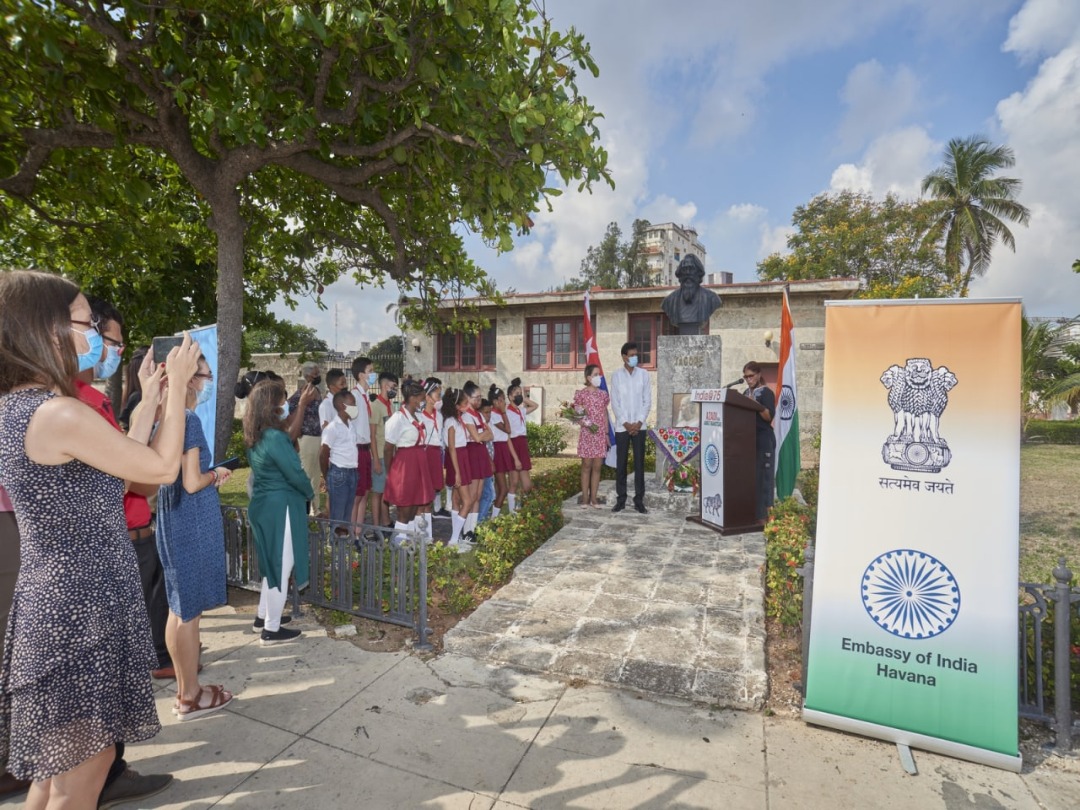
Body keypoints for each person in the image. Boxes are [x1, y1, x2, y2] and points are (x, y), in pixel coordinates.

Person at [0, 270, 200, 807]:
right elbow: (158, 470)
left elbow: (117, 472)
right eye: (86, 323)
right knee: (80, 777)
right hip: (80, 605)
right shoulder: (57, 411)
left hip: (60, 596)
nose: (94, 336)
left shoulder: (21, 407)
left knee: (55, 776)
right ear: (47, 329)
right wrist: (181, 385)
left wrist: (148, 403)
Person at [79, 297, 174, 806]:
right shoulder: (67, 409)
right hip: (98, 557)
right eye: (108, 340)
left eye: (116, 343)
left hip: (123, 540)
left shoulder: (90, 402)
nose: (112, 350)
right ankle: (106, 772)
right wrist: (170, 395)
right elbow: (148, 474)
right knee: (92, 713)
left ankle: (109, 769)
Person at [154, 354, 235, 721]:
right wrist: (217, 474)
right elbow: (191, 481)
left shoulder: (163, 418)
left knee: (178, 607)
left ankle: (187, 689)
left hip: (171, 518)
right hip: (191, 520)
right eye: (205, 376)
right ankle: (189, 696)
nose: (208, 383)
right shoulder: (188, 420)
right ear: (190, 379)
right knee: (189, 613)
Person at [244, 379, 312, 645]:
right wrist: (309, 491)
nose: (286, 405)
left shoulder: (256, 433)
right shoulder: (274, 437)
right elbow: (294, 472)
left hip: (264, 504)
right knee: (281, 567)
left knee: (271, 565)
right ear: (271, 406)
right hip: (280, 506)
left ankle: (263, 616)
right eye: (282, 401)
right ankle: (271, 630)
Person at [382, 381, 434, 543]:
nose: (423, 401)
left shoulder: (416, 416)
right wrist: (391, 472)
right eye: (421, 398)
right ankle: (398, 543)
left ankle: (409, 541)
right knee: (404, 508)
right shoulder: (397, 419)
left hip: (418, 462)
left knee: (414, 505)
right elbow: (388, 448)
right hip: (405, 464)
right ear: (412, 398)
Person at [609, 341, 651, 514]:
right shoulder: (617, 376)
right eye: (631, 355)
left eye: (636, 355)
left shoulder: (644, 374)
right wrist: (626, 423)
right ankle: (621, 499)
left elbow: (647, 400)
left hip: (639, 426)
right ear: (624, 357)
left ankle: (639, 500)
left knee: (639, 464)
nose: (635, 358)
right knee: (622, 464)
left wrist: (639, 422)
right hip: (622, 427)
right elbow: (615, 402)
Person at [320, 389, 359, 537]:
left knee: (347, 513)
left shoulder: (350, 425)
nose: (355, 407)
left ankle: (343, 545)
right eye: (352, 404)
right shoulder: (332, 428)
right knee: (337, 514)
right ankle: (335, 548)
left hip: (352, 472)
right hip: (338, 473)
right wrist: (327, 474)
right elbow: (323, 454)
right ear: (343, 406)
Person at [287, 362, 324, 515]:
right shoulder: (303, 391)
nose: (318, 375)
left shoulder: (316, 391)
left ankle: (315, 509)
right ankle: (304, 509)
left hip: (318, 438)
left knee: (315, 476)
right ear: (308, 375)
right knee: (307, 475)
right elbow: (289, 411)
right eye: (315, 373)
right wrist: (298, 429)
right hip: (307, 439)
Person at [440, 388, 474, 547]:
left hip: (462, 457)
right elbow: (452, 447)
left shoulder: (459, 419)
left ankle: (456, 537)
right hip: (457, 459)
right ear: (456, 405)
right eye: (465, 403)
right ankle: (454, 539)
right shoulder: (451, 422)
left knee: (456, 499)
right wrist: (458, 473)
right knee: (467, 501)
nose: (468, 405)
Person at [573, 364, 610, 509]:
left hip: (599, 434)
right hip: (587, 434)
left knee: (597, 466)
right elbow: (577, 414)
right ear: (588, 377)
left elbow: (604, 414)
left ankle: (594, 499)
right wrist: (585, 422)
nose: (598, 377)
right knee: (586, 466)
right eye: (596, 374)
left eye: (599, 374)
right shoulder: (581, 394)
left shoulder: (603, 395)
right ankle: (585, 499)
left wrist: (606, 432)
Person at [743, 361, 776, 521]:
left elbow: (769, 417)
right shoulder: (744, 393)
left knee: (765, 477)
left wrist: (757, 405)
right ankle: (753, 513)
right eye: (746, 377)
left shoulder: (766, 393)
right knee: (752, 477)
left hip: (764, 440)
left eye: (751, 376)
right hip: (748, 440)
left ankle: (766, 516)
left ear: (758, 375)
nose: (748, 379)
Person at [461, 382, 493, 541]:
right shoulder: (466, 415)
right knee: (472, 495)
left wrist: (483, 435)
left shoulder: (479, 415)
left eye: (480, 397)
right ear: (467, 397)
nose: (479, 400)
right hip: (472, 452)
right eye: (476, 397)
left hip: (481, 452)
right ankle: (464, 530)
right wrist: (483, 435)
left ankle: (471, 530)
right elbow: (477, 437)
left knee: (478, 495)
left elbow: (490, 434)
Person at [660, 253, 721, 335]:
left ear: (699, 273)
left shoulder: (712, 298)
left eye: (691, 269)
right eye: (684, 269)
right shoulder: (669, 301)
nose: (688, 273)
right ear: (680, 275)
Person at [348, 357, 377, 530]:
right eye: (370, 371)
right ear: (361, 375)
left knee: (365, 492)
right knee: (357, 495)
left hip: (366, 450)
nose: (373, 374)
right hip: (356, 449)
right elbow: (349, 423)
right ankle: (352, 531)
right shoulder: (354, 396)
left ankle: (358, 531)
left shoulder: (365, 396)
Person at [488, 384, 522, 518]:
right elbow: (508, 430)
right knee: (503, 488)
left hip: (504, 448)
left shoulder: (500, 413)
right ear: (496, 402)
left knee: (501, 487)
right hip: (497, 449)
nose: (504, 402)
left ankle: (497, 513)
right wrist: (503, 412)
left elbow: (507, 437)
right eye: (502, 399)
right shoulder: (495, 415)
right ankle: (494, 518)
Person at [369, 372, 398, 527]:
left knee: (385, 491)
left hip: (389, 455)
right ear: (385, 386)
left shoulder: (391, 406)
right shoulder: (375, 406)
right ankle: (375, 525)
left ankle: (386, 521)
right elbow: (372, 436)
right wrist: (375, 461)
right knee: (377, 492)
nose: (395, 389)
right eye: (393, 386)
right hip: (379, 455)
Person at [418, 378, 444, 541]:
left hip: (435, 455)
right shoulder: (420, 416)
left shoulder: (439, 416)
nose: (439, 398)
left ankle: (428, 535)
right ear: (427, 397)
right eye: (437, 395)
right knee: (422, 496)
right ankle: (419, 531)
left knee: (431, 495)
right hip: (424, 455)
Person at [504, 378, 536, 505]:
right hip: (513, 445)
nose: (518, 396)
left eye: (520, 394)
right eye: (516, 394)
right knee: (514, 482)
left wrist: (523, 398)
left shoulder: (521, 410)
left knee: (527, 484)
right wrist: (515, 457)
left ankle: (523, 506)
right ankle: (512, 510)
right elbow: (507, 435)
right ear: (510, 397)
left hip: (522, 444)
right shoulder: (506, 412)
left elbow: (535, 406)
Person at [476, 397, 497, 522]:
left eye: (490, 412)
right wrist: (490, 462)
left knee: (486, 494)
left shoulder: (485, 425)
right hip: (484, 464)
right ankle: (478, 521)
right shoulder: (480, 426)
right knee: (488, 495)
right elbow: (482, 446)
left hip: (486, 464)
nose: (488, 415)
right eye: (486, 412)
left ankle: (479, 520)